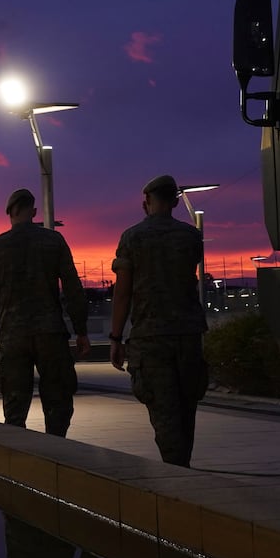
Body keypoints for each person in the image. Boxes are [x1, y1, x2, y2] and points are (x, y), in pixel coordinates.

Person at [0, 187, 90, 436]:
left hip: (13, 334)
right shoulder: (54, 241)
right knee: (58, 403)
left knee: (14, 408)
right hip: (51, 333)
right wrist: (81, 330)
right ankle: (56, 454)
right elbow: (72, 288)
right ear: (34, 211)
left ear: (9, 213)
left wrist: (2, 286)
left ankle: (20, 459)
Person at [108, 174, 209, 466]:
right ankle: (183, 467)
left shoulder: (132, 237)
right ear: (176, 202)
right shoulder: (191, 236)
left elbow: (123, 293)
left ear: (147, 201)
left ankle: (176, 473)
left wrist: (116, 337)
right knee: (186, 407)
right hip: (188, 334)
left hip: (151, 338)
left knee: (163, 411)